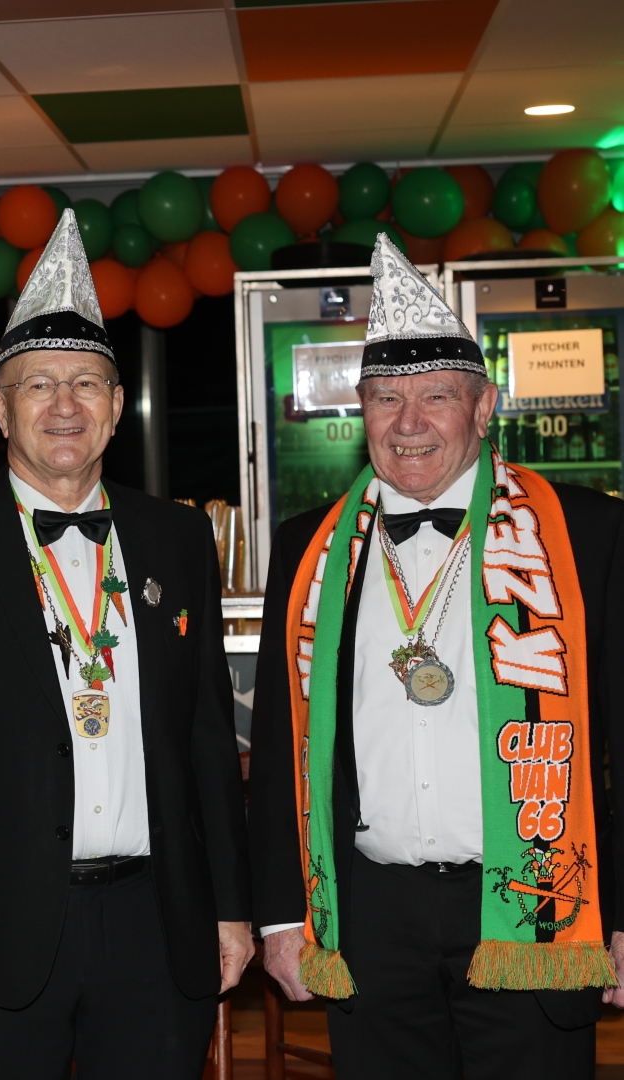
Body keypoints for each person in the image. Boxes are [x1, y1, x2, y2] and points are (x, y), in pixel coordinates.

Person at [0, 210, 252, 1078]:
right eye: (37, 384)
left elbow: (206, 737)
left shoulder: (176, 539)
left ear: (117, 407)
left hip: (157, 923)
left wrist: (230, 907)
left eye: (86, 383)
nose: (63, 405)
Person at [250, 233, 624, 1079]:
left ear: (484, 408)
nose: (409, 422)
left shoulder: (587, 534)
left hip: (536, 901)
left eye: (436, 397)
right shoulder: (308, 551)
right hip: (367, 916)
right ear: (361, 410)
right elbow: (279, 752)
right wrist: (279, 916)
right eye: (386, 398)